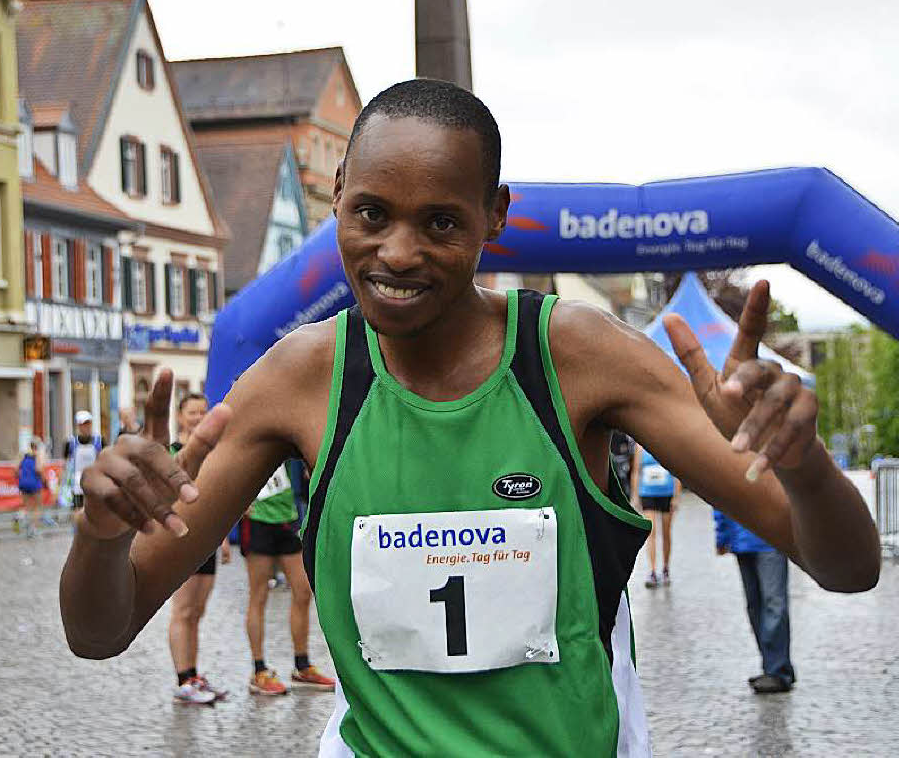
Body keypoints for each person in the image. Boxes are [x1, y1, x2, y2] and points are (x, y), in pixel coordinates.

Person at [61, 80, 879, 757]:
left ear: (495, 214)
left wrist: (802, 464)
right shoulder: (301, 376)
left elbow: (845, 567)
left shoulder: (576, 355)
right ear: (337, 196)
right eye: (372, 214)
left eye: (441, 222)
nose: (399, 252)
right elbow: (102, 630)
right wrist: (98, 535)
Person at [240, 464, 335, 695]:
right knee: (259, 595)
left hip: (287, 517)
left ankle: (302, 666)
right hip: (258, 519)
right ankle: (258, 670)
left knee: (303, 591)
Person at [166, 393, 231, 705]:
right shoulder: (172, 452)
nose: (198, 416)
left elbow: (213, 498)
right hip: (182, 541)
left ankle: (194, 675)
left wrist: (223, 538)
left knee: (197, 612)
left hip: (207, 539)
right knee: (183, 610)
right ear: (180, 416)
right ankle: (183, 680)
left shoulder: (211, 452)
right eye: (192, 412)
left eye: (203, 411)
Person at [714, 510, 796, 694]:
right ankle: (774, 666)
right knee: (755, 606)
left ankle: (778, 671)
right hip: (742, 540)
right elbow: (720, 496)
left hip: (771, 540)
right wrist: (723, 535)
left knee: (773, 604)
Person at [631, 444, 681, 588]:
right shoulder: (639, 447)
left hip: (666, 493)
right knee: (651, 532)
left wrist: (676, 496)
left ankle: (665, 568)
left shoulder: (667, 443)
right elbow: (636, 471)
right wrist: (635, 495)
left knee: (666, 533)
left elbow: (677, 472)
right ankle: (652, 570)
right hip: (647, 493)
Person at [63, 411, 103, 510]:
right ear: (78, 426)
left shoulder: (99, 441)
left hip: (94, 481)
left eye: (88, 423)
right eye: (83, 424)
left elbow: (104, 461)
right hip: (77, 484)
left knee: (94, 510)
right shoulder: (71, 442)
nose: (86, 427)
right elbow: (65, 463)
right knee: (78, 510)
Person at [15, 437, 45, 536]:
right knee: (37, 507)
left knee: (27, 506)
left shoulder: (23, 455)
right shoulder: (38, 455)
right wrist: (44, 480)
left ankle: (20, 516)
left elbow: (15, 469)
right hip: (35, 482)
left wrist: (21, 477)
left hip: (23, 482)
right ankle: (33, 529)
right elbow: (38, 469)